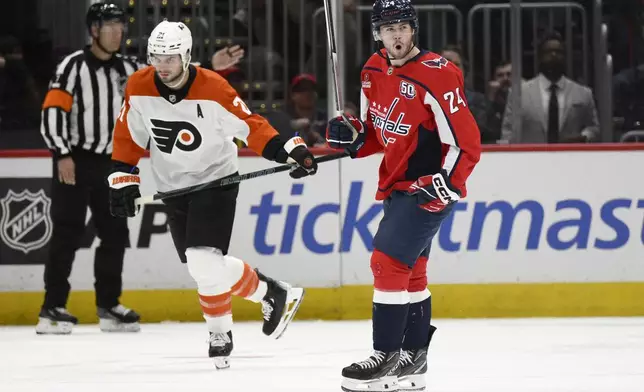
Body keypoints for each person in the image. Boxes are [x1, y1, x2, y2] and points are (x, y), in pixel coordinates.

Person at [107, 20, 315, 369]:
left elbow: (251, 126)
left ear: (187, 56)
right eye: (157, 57)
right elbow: (129, 134)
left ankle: (221, 330)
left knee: (204, 260)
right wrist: (123, 178)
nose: (163, 66)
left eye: (171, 58)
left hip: (215, 181)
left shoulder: (214, 88)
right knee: (200, 266)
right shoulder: (139, 86)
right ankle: (269, 294)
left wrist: (290, 150)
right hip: (172, 186)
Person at [326, 0, 481, 391]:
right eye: (387, 28)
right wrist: (352, 139)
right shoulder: (372, 71)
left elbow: (468, 142)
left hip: (427, 188)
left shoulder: (439, 74)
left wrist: (447, 183)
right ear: (377, 33)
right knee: (411, 272)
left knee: (386, 263)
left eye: (402, 27)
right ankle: (414, 361)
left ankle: (385, 356)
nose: (396, 35)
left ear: (414, 29)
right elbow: (377, 136)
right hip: (395, 185)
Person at [37, 2, 142, 335]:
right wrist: (62, 153)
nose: (118, 32)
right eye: (110, 25)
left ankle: (108, 304)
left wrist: (208, 66)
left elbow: (164, 76)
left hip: (112, 163)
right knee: (67, 233)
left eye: (121, 25)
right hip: (76, 159)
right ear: (94, 30)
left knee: (115, 234)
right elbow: (53, 110)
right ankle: (52, 307)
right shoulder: (71, 66)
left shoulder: (129, 68)